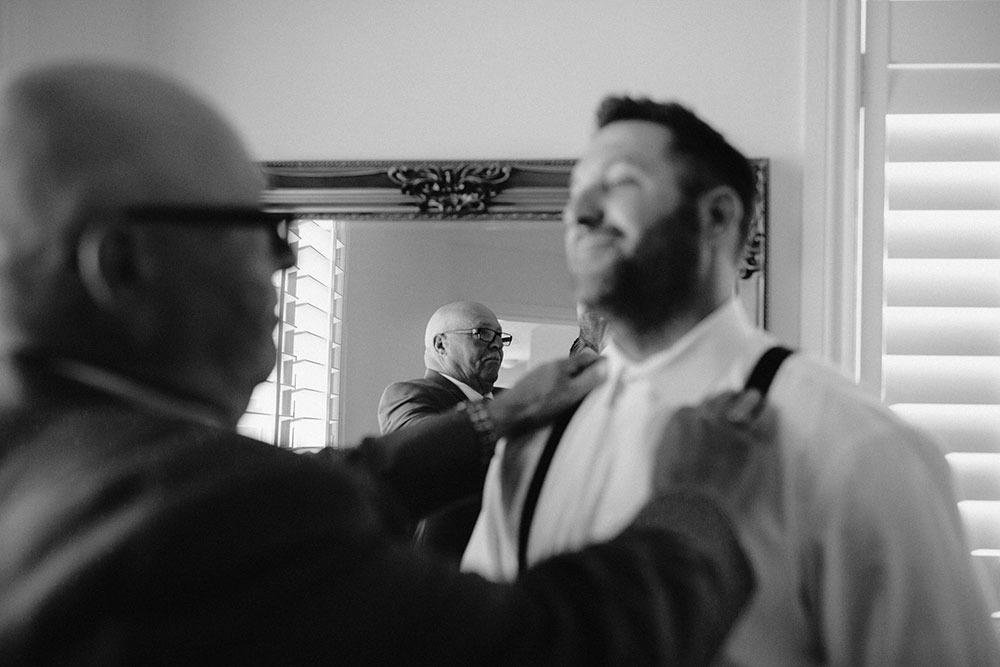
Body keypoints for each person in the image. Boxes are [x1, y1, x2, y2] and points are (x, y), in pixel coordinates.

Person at [0, 62, 763, 666]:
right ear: (123, 263)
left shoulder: (49, 455)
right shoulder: (206, 512)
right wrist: (698, 500)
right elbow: (562, 646)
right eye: (254, 226)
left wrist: (492, 418)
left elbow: (327, 485)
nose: (286, 256)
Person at [463, 96, 1000, 666]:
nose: (582, 212)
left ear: (716, 217)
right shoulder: (534, 437)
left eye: (619, 183)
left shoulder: (857, 446)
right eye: (576, 193)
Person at [378, 300, 509, 562]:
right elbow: (425, 454)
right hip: (445, 566)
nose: (495, 344)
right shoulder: (408, 395)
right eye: (482, 333)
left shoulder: (511, 397)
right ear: (441, 345)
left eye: (499, 336)